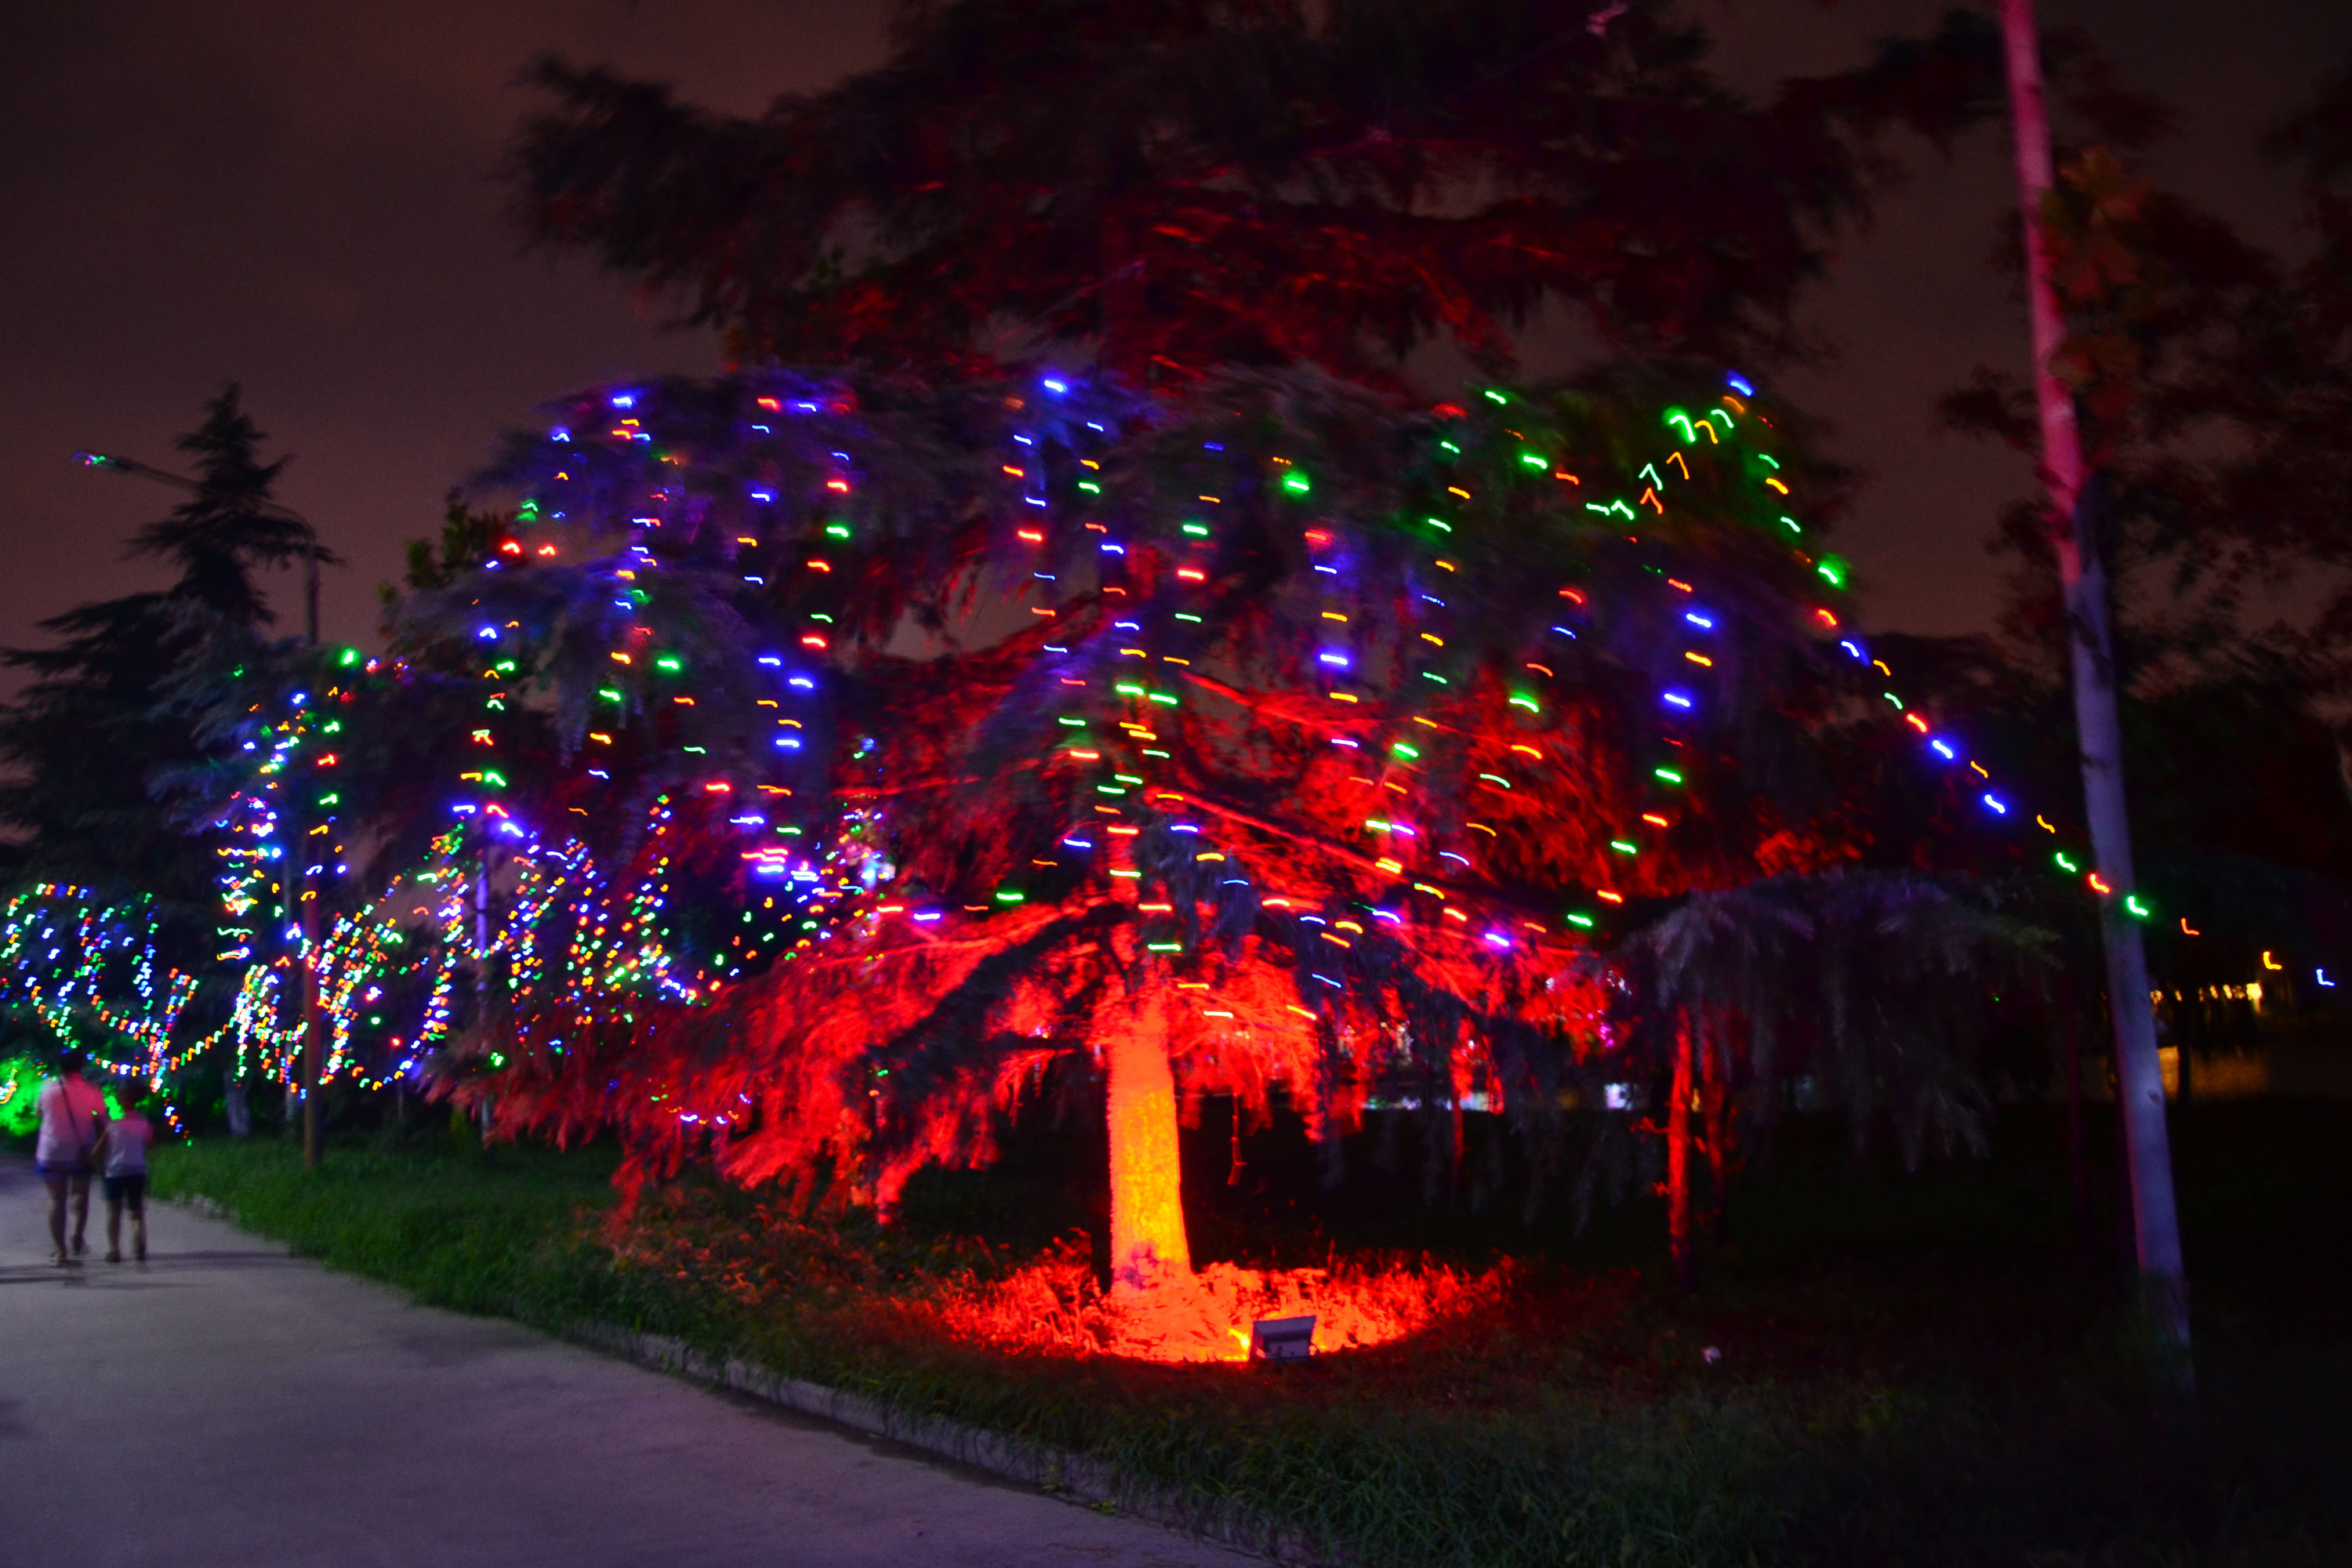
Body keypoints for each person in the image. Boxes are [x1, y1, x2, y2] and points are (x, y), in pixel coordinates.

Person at [34, 1052, 109, 1265]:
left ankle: (60, 1251)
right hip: (82, 1152)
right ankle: (77, 1236)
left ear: (60, 1068)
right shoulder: (92, 1091)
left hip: (52, 1152)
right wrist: (98, 1151)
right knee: (80, 1196)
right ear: (81, 1067)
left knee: (56, 1199)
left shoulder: (46, 1088)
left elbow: (38, 1114)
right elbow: (104, 1123)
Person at [99, 1096, 154, 1265]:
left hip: (115, 1172)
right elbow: (151, 1144)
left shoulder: (112, 1125)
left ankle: (114, 1250)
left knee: (114, 1212)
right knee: (136, 1213)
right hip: (137, 1171)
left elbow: (99, 1148)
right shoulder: (143, 1123)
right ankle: (139, 1248)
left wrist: (90, 1160)